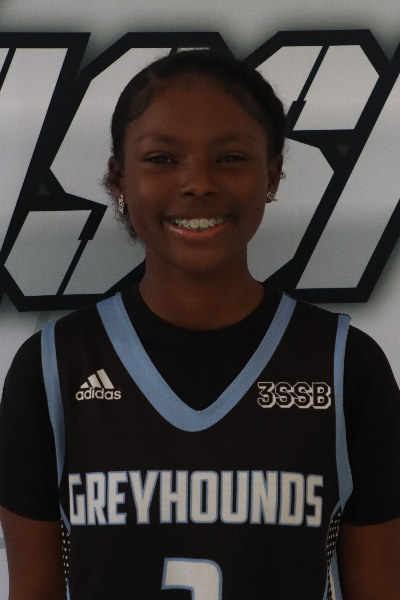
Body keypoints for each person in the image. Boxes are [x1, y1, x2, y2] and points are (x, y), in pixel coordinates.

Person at [1, 49, 400, 600]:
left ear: (272, 174)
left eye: (230, 158)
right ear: (118, 178)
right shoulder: (52, 368)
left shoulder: (346, 366)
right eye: (162, 159)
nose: (197, 183)